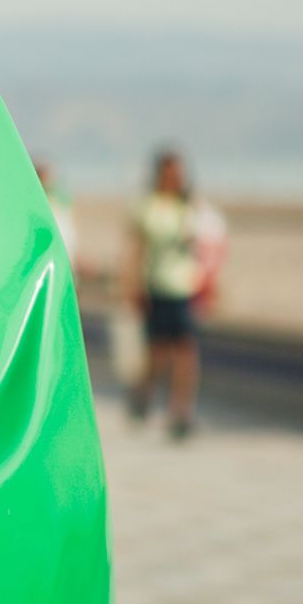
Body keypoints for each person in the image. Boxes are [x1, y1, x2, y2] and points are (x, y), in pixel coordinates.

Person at [125, 149, 207, 439]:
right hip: (156, 287)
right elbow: (136, 250)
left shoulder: (188, 206)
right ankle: (142, 395)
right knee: (158, 354)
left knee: (186, 350)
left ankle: (181, 411)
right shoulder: (147, 206)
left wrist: (209, 282)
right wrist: (133, 286)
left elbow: (203, 247)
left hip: (184, 287)